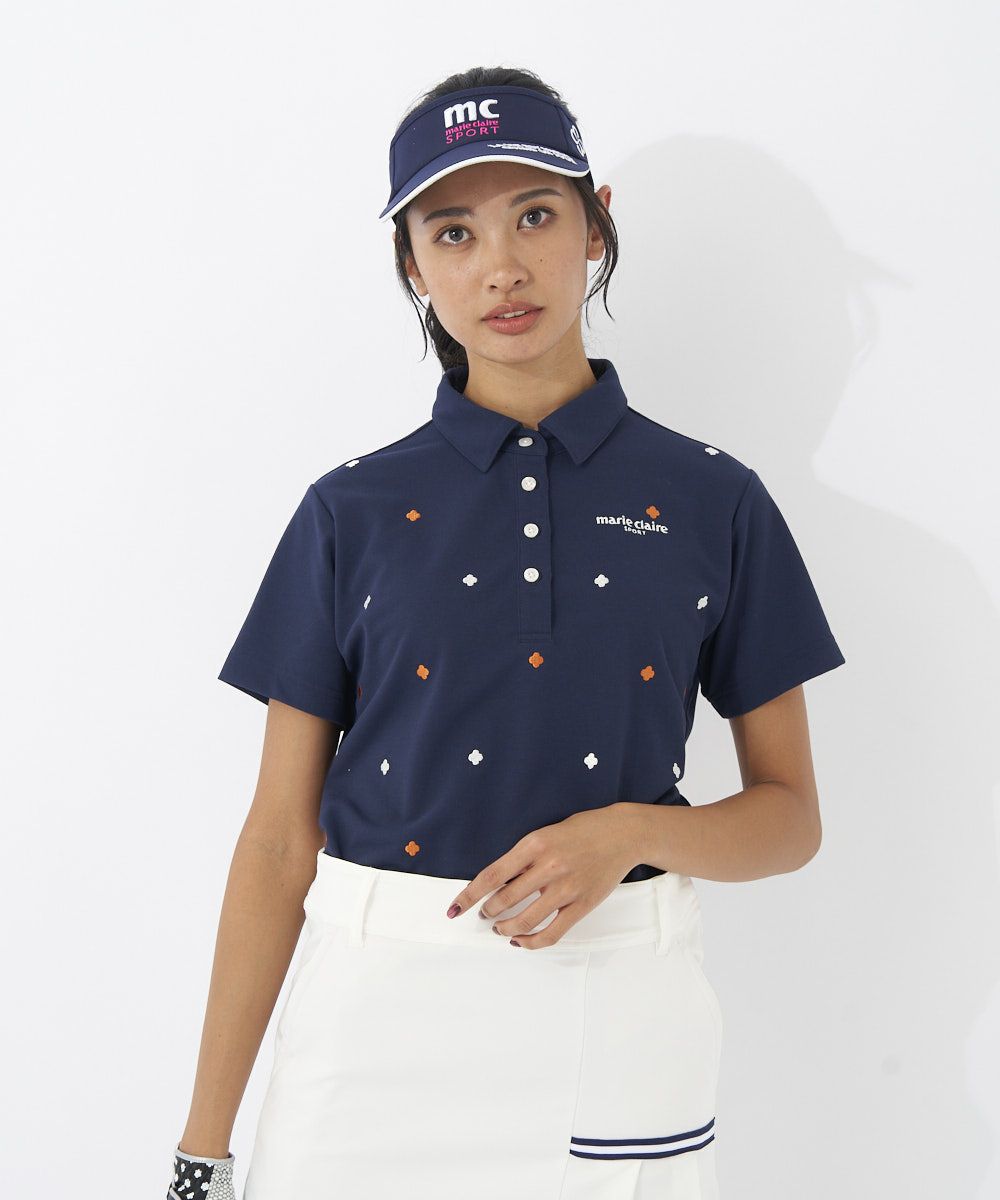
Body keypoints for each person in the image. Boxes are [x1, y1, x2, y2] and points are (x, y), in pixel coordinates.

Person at [166, 65, 846, 1200]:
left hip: (617, 1019)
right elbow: (279, 842)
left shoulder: (713, 500)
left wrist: (630, 833)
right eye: (453, 232)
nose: (501, 267)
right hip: (370, 1025)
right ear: (412, 265)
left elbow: (791, 821)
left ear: (596, 225)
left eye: (534, 215)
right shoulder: (349, 511)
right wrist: (202, 1148)